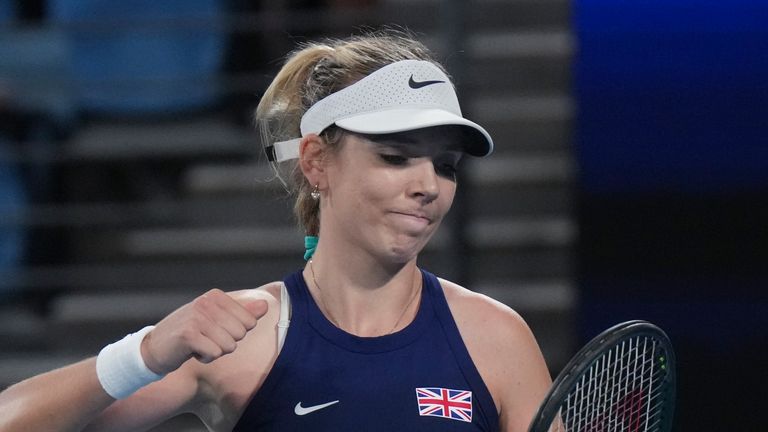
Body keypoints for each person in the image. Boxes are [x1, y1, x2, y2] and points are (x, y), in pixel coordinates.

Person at [0, 29, 552, 431]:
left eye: (446, 165)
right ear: (315, 162)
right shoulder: (245, 336)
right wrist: (145, 353)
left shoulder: (496, 337)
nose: (428, 185)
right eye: (395, 157)